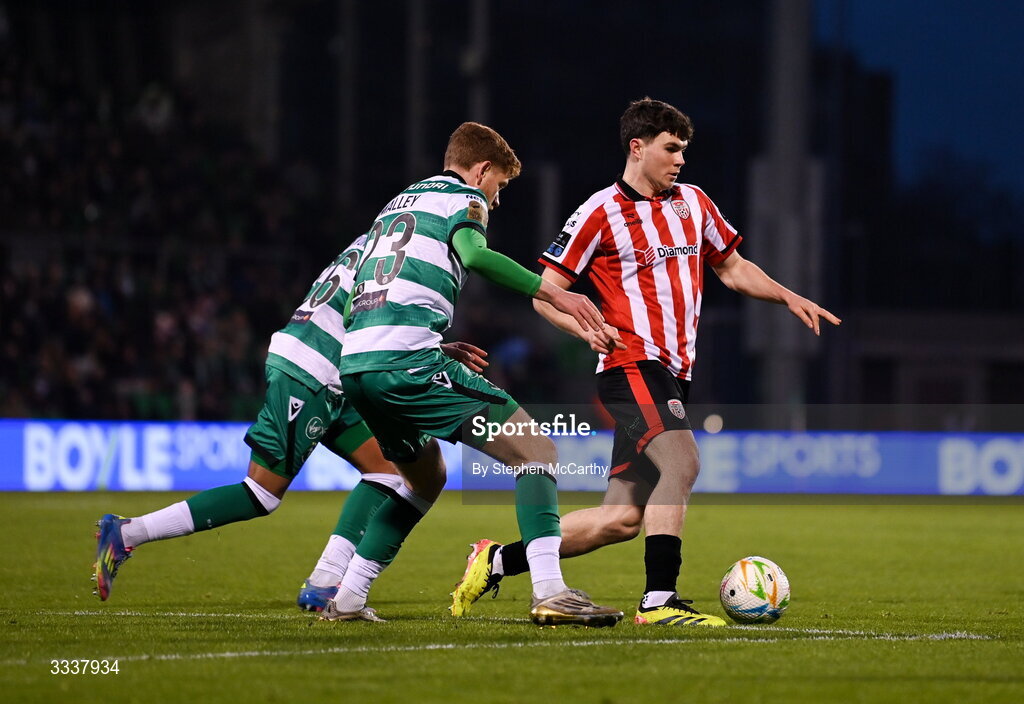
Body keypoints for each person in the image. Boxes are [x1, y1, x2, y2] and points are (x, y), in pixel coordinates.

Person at [450, 98, 841, 626]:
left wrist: (788, 296)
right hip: (631, 366)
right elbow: (546, 295)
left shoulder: (694, 204)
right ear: (638, 147)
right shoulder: (599, 211)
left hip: (674, 375)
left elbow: (733, 267)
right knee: (684, 464)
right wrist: (583, 328)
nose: (680, 160)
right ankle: (659, 600)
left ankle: (497, 560)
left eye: (684, 150)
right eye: (671, 148)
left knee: (621, 518)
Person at [317, 121, 623, 626]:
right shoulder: (466, 198)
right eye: (499, 184)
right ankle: (549, 590)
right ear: (482, 170)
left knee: (424, 477)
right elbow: (476, 255)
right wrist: (555, 292)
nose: (496, 200)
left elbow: (362, 283)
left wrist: (430, 339)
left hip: (358, 362)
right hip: (406, 362)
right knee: (537, 450)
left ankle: (348, 598)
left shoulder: (401, 203)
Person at [92, 235, 489, 607]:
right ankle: (127, 533)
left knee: (387, 470)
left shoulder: (379, 239)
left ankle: (325, 581)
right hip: (313, 367)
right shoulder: (403, 248)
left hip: (337, 367)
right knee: (261, 493)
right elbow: (378, 312)